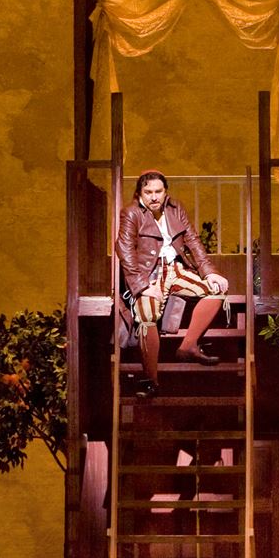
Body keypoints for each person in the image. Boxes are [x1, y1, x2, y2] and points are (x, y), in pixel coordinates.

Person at [115, 170, 232, 399]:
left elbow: (193, 241)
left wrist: (210, 273)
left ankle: (188, 346)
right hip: (148, 273)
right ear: (140, 193)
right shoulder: (131, 213)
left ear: (165, 192)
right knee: (147, 314)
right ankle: (151, 381)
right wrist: (142, 286)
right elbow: (125, 251)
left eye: (158, 191)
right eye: (148, 192)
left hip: (175, 269)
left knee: (216, 291)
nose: (154, 197)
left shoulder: (175, 208)